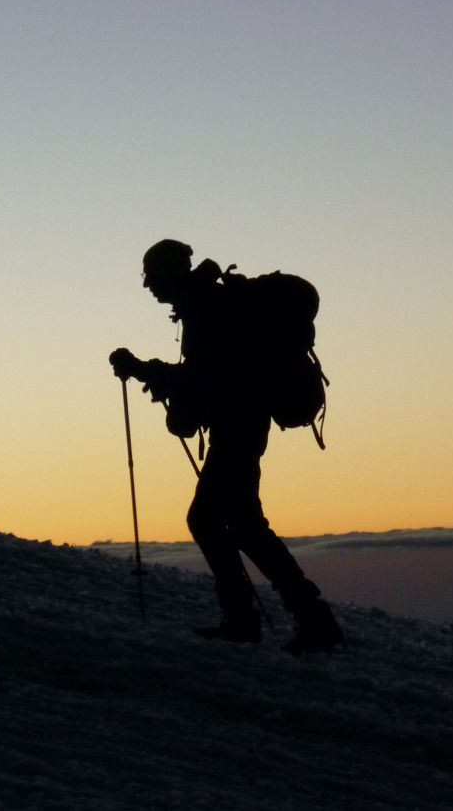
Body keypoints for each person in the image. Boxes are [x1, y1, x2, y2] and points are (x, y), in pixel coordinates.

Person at [109, 239, 344, 655]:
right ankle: (298, 618)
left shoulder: (205, 308)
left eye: (151, 276)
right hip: (241, 424)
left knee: (215, 520)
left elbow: (208, 377)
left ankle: (278, 620)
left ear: (169, 273)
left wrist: (144, 369)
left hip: (238, 425)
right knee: (238, 523)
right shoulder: (206, 303)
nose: (147, 286)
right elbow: (210, 375)